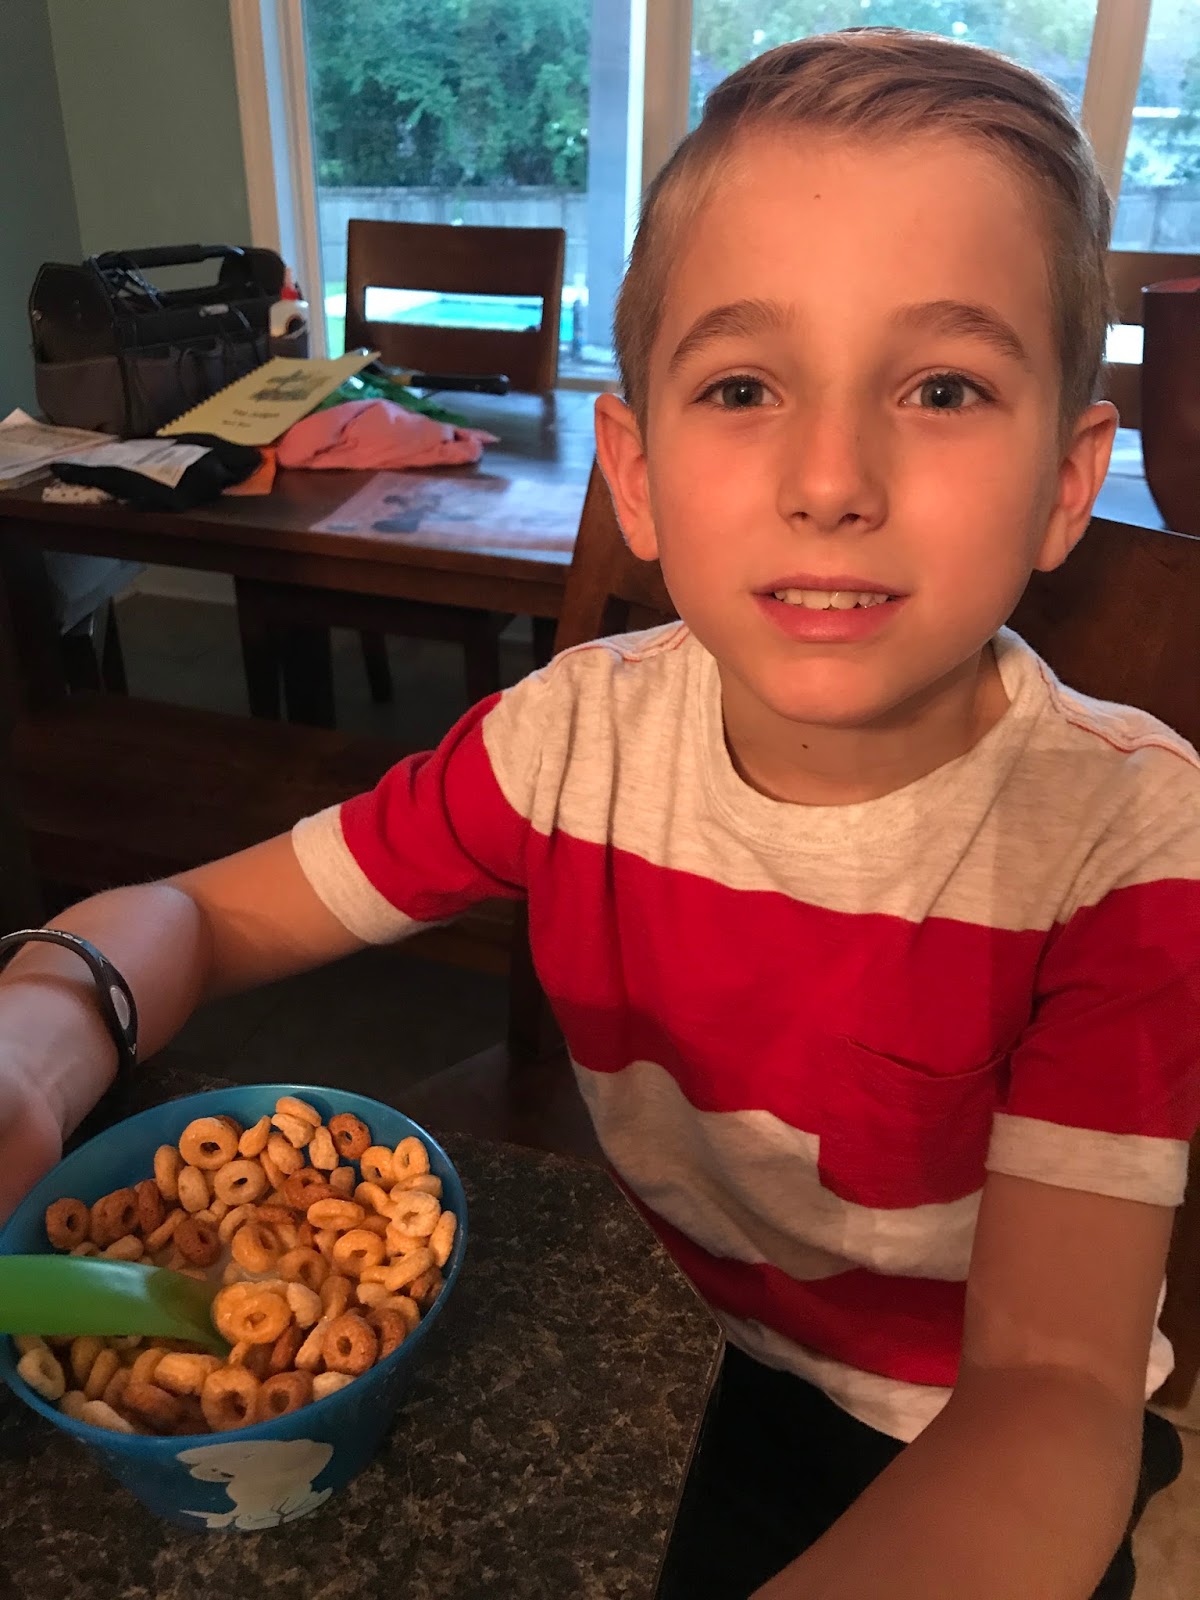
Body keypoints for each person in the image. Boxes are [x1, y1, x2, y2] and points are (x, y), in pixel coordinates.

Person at [1, 26, 1196, 1599]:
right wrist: (35, 1048)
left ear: (1067, 479)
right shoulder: (566, 745)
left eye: (944, 386)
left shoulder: (1120, 844)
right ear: (634, 473)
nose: (831, 477)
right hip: (671, 1342)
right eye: (744, 385)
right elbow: (208, 915)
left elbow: (1054, 1388)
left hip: (951, 1444)